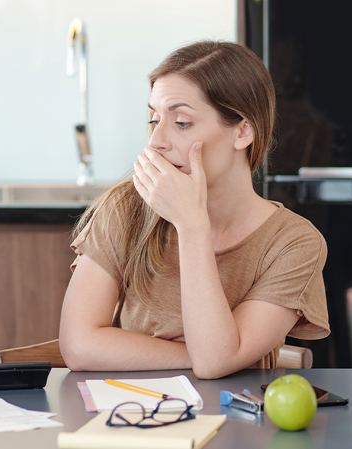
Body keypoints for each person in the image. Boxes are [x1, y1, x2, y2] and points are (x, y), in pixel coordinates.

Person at [59, 41, 329, 379]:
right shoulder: (125, 207)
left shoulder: (294, 243)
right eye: (154, 119)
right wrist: (202, 353)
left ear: (243, 131)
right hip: (129, 417)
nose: (156, 141)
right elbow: (79, 345)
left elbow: (214, 361)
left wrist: (191, 225)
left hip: (238, 425)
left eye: (182, 122)